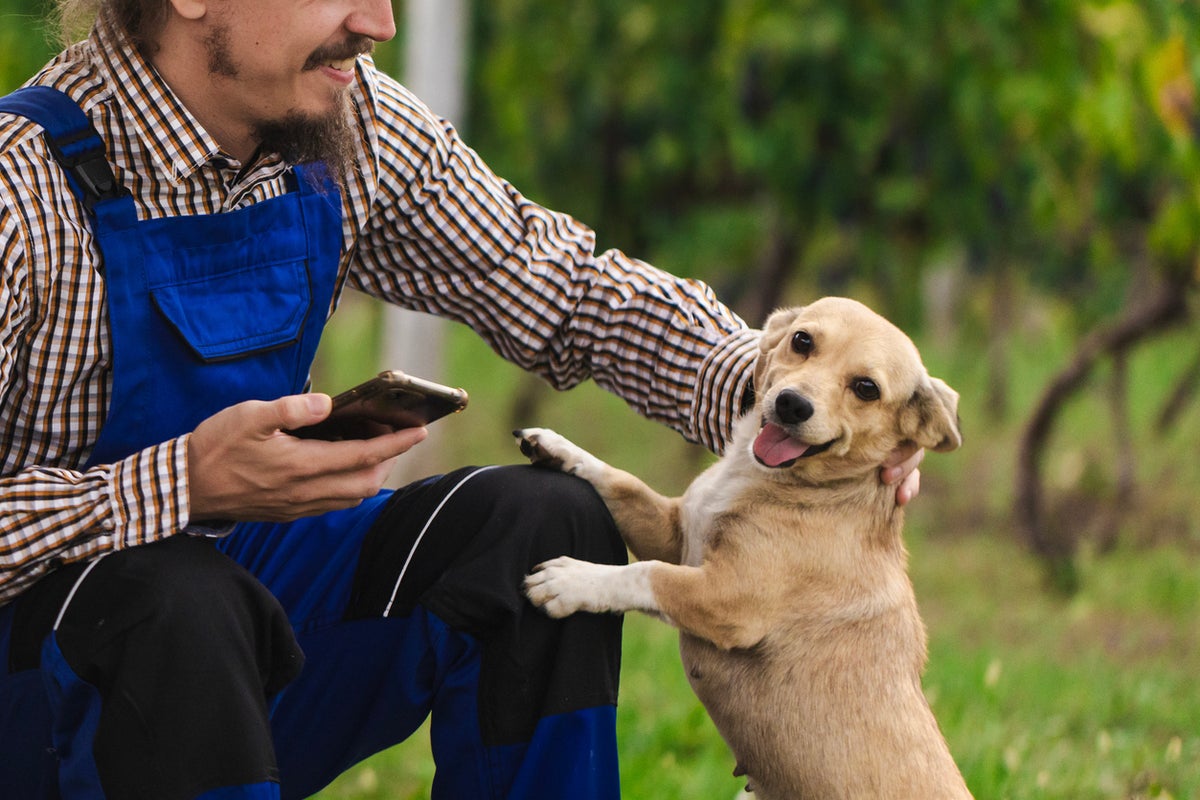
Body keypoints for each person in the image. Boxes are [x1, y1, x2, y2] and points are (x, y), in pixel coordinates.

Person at [0, 1, 923, 798]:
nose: (378, 22)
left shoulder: (344, 125)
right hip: (44, 694)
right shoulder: (21, 196)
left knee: (547, 522)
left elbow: (563, 288)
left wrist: (782, 395)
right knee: (177, 599)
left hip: (251, 627)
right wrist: (178, 486)